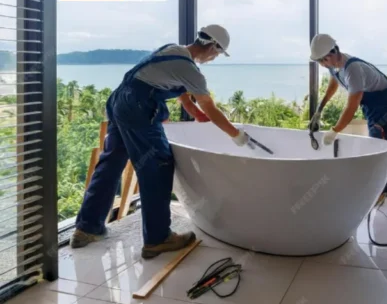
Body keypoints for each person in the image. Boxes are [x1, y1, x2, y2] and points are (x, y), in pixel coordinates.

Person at [70, 25, 256, 259]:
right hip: (139, 106)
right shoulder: (191, 70)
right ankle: (158, 239)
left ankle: (87, 228)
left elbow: (180, 92)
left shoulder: (174, 50)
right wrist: (236, 135)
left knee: (110, 164)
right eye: (217, 53)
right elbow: (210, 106)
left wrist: (194, 113)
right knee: (158, 166)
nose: (214, 58)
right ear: (212, 47)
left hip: (120, 101)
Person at [309, 33, 387, 206]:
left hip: (386, 107)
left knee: (382, 148)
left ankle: (381, 193)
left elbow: (351, 107)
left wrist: (335, 131)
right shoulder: (334, 65)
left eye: (322, 61)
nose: (322, 65)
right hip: (372, 105)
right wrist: (319, 110)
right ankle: (377, 190)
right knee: (377, 145)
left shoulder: (353, 70)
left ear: (329, 55)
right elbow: (334, 83)